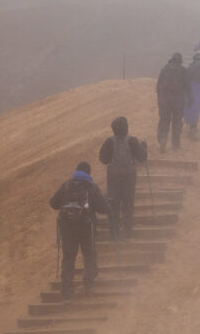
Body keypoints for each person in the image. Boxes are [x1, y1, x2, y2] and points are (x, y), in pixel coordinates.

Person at [49, 162, 111, 299]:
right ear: (89, 173)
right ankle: (88, 284)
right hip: (86, 227)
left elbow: (53, 203)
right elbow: (103, 209)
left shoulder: (66, 185)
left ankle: (66, 291)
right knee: (89, 254)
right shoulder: (92, 187)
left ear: (76, 171)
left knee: (69, 258)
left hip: (67, 228)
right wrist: (107, 202)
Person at [99, 117, 147, 237]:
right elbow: (142, 158)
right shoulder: (132, 141)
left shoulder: (109, 142)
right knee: (128, 204)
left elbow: (103, 160)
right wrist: (144, 147)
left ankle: (114, 233)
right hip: (129, 177)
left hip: (113, 178)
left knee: (113, 204)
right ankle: (127, 231)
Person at [156, 52, 193, 153]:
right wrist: (190, 99)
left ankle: (163, 141)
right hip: (178, 101)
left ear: (171, 60)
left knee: (164, 121)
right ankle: (175, 145)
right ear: (180, 61)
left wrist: (159, 100)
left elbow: (158, 87)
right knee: (177, 122)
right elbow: (188, 87)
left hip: (165, 100)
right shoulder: (183, 71)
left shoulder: (164, 69)